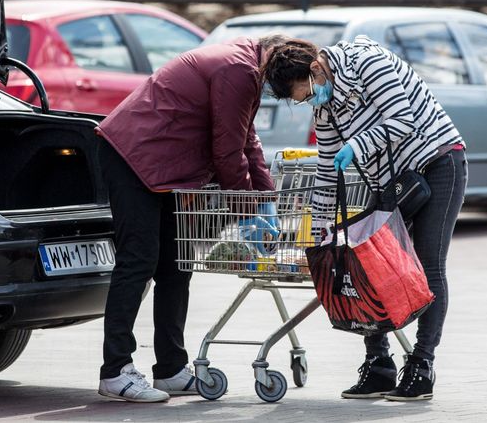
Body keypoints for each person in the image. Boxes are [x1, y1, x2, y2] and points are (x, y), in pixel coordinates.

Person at [261, 35, 467, 402]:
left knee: (429, 265)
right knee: (367, 264)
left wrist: (357, 145)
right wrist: (320, 227)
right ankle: (379, 365)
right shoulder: (325, 107)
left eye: (306, 94)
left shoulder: (367, 61)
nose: (310, 102)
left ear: (315, 69)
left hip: (437, 162)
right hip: (391, 183)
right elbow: (327, 169)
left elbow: (402, 119)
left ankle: (421, 366)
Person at [95, 36, 278, 403]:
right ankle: (115, 371)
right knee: (138, 260)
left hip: (164, 163)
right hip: (135, 154)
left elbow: (247, 140)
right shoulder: (238, 69)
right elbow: (227, 151)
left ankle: (171, 369)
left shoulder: (248, 66)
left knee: (177, 266)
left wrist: (266, 200)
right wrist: (246, 210)